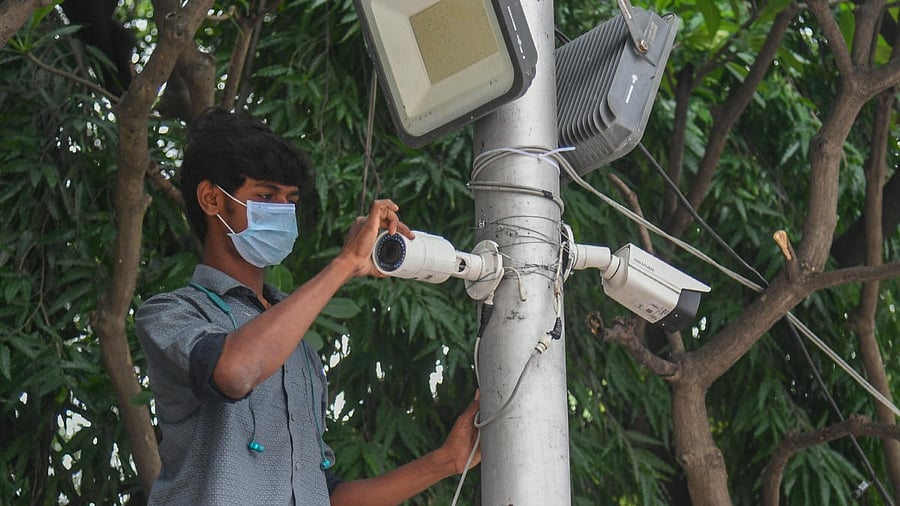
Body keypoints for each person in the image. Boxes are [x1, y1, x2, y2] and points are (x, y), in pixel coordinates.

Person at [135, 106, 481, 505]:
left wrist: (447, 461)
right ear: (212, 198)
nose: (282, 211)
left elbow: (324, 496)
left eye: (290, 200)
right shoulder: (171, 314)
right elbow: (235, 372)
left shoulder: (299, 349)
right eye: (266, 196)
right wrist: (345, 264)